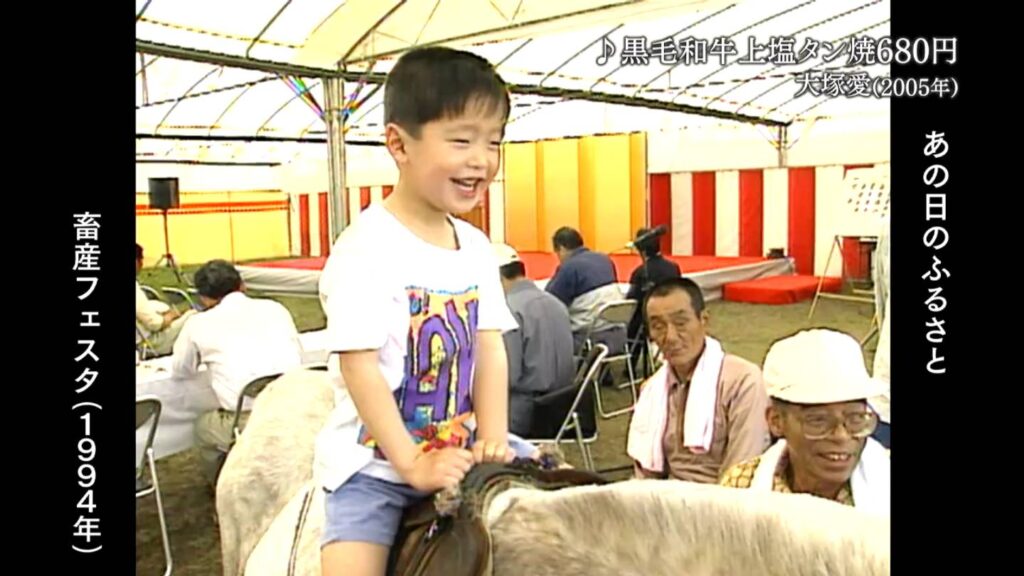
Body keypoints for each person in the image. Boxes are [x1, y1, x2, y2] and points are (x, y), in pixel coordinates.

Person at [314, 47, 527, 576]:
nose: (482, 159)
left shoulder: (475, 246)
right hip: (377, 466)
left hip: (463, 444)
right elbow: (359, 366)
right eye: (461, 140)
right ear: (398, 144)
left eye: (493, 141)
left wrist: (494, 436)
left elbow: (489, 346)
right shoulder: (365, 248)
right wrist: (411, 462)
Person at [719, 329, 890, 516]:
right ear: (776, 422)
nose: (841, 436)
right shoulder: (742, 487)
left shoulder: (885, 482)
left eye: (855, 418)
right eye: (818, 421)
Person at [170, 259, 302, 484]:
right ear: (242, 285)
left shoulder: (198, 324)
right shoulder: (275, 308)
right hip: (295, 405)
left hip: (249, 418)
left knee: (203, 428)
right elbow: (297, 351)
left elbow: (181, 370)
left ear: (203, 298)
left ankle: (221, 486)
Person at [627, 277, 770, 483]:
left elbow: (741, 471)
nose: (670, 337)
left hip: (722, 496)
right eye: (658, 326)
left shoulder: (742, 382)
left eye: (681, 323)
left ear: (703, 320)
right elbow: (646, 470)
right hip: (661, 496)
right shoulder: (652, 390)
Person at [493, 243, 575, 436]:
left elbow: (507, 377)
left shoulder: (508, 310)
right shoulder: (556, 303)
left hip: (526, 412)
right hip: (564, 407)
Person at [545, 226, 626, 354]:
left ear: (561, 248)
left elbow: (550, 302)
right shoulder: (605, 259)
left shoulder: (569, 267)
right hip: (618, 335)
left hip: (589, 338)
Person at [625, 227, 681, 376]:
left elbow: (632, 299)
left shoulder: (640, 272)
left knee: (634, 322)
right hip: (672, 312)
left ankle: (630, 366)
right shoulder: (673, 268)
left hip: (648, 318)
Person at [135, 243, 191, 356]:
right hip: (148, 344)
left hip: (142, 338)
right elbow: (155, 324)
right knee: (193, 315)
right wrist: (171, 316)